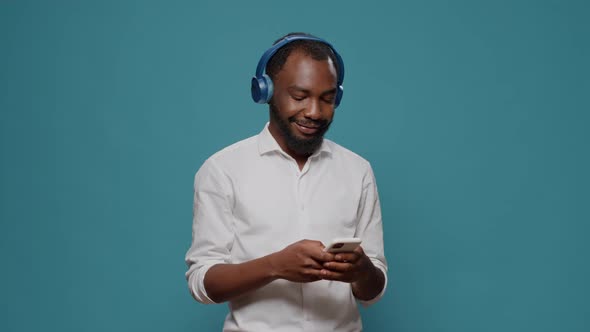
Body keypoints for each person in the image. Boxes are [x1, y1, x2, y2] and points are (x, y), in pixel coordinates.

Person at [185, 32, 387, 331]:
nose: (315, 112)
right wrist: (275, 266)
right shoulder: (222, 170)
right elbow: (202, 284)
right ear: (266, 91)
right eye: (299, 96)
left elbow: (372, 290)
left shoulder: (358, 170)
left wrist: (362, 270)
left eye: (327, 99)